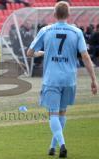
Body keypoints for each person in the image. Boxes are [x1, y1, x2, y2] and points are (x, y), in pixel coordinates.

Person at [27, 1, 98, 158]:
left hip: (52, 78)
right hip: (69, 79)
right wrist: (93, 79)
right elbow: (85, 56)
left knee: (53, 114)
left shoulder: (46, 30)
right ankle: (53, 147)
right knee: (62, 113)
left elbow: (30, 52)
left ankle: (63, 144)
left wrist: (43, 52)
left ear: (54, 14)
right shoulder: (76, 32)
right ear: (69, 14)